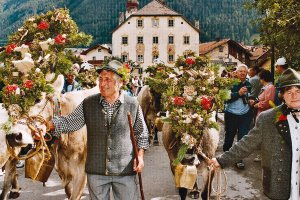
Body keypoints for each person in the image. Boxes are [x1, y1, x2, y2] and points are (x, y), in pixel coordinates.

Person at [49, 60, 149, 200]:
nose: (102, 84)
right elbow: (70, 123)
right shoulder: (89, 103)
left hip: (125, 170)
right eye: (100, 79)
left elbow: (142, 134)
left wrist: (140, 156)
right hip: (96, 172)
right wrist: (48, 125)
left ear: (120, 83)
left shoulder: (132, 104)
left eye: (107, 80)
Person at [209, 68, 300, 200]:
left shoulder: (249, 84)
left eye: (298, 91)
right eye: (289, 92)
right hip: (280, 186)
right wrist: (221, 160)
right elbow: (247, 143)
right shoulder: (268, 118)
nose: (294, 96)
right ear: (282, 95)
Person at [223, 64, 252, 169]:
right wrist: (238, 93)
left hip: (245, 114)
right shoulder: (230, 83)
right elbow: (225, 99)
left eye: (245, 71)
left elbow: (250, 96)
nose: (243, 73)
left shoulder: (249, 84)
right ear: (236, 73)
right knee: (229, 136)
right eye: (241, 71)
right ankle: (226, 156)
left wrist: (252, 100)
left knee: (243, 138)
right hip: (231, 114)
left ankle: (239, 159)